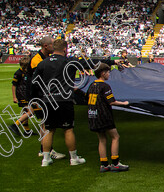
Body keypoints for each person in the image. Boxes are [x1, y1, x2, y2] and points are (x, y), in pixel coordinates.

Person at [33, 39, 110, 167]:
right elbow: (91, 63)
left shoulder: (43, 63)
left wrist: (37, 98)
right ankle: (73, 158)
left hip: (48, 100)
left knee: (48, 129)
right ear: (65, 49)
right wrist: (112, 61)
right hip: (65, 100)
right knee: (68, 129)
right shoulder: (69, 62)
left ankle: (45, 159)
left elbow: (34, 82)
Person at [87, 63, 130, 173]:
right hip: (104, 116)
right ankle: (115, 163)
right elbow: (112, 102)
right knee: (115, 137)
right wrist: (124, 103)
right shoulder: (105, 86)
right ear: (103, 73)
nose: (109, 74)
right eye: (108, 72)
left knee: (102, 139)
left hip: (93, 115)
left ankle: (104, 164)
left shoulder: (92, 85)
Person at [10, 56, 33, 136]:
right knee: (31, 111)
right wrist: (14, 97)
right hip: (22, 94)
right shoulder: (18, 73)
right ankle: (15, 125)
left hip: (26, 94)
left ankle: (26, 130)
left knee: (25, 111)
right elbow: (14, 85)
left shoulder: (28, 72)